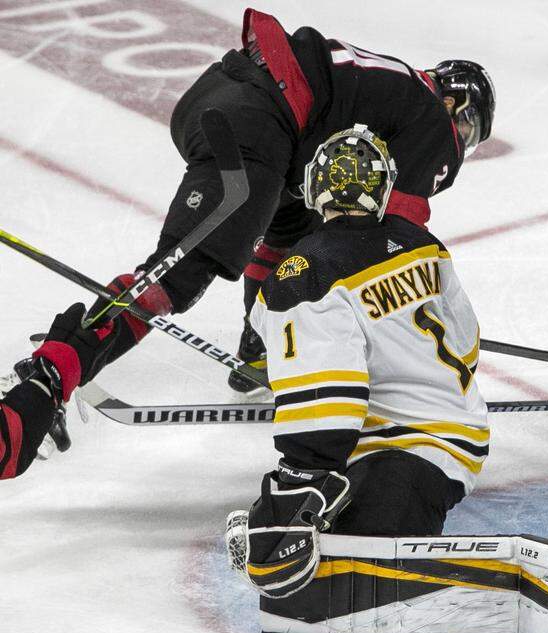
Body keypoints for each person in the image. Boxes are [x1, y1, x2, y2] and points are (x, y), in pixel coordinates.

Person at [0, 8, 495, 479]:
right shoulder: (433, 117)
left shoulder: (397, 89)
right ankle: (53, 375)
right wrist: (411, 317)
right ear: (455, 102)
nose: (461, 145)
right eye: (469, 128)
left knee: (291, 226)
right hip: (259, 119)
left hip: (232, 102)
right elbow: (397, 234)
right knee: (178, 276)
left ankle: (259, 346)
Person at [224, 126, 548, 633]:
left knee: (336, 572)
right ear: (384, 187)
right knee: (326, 554)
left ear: (315, 190)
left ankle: (543, 600)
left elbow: (327, 406)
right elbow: (467, 343)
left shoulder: (305, 270)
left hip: (404, 448)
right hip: (455, 433)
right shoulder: (422, 244)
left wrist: (299, 481)